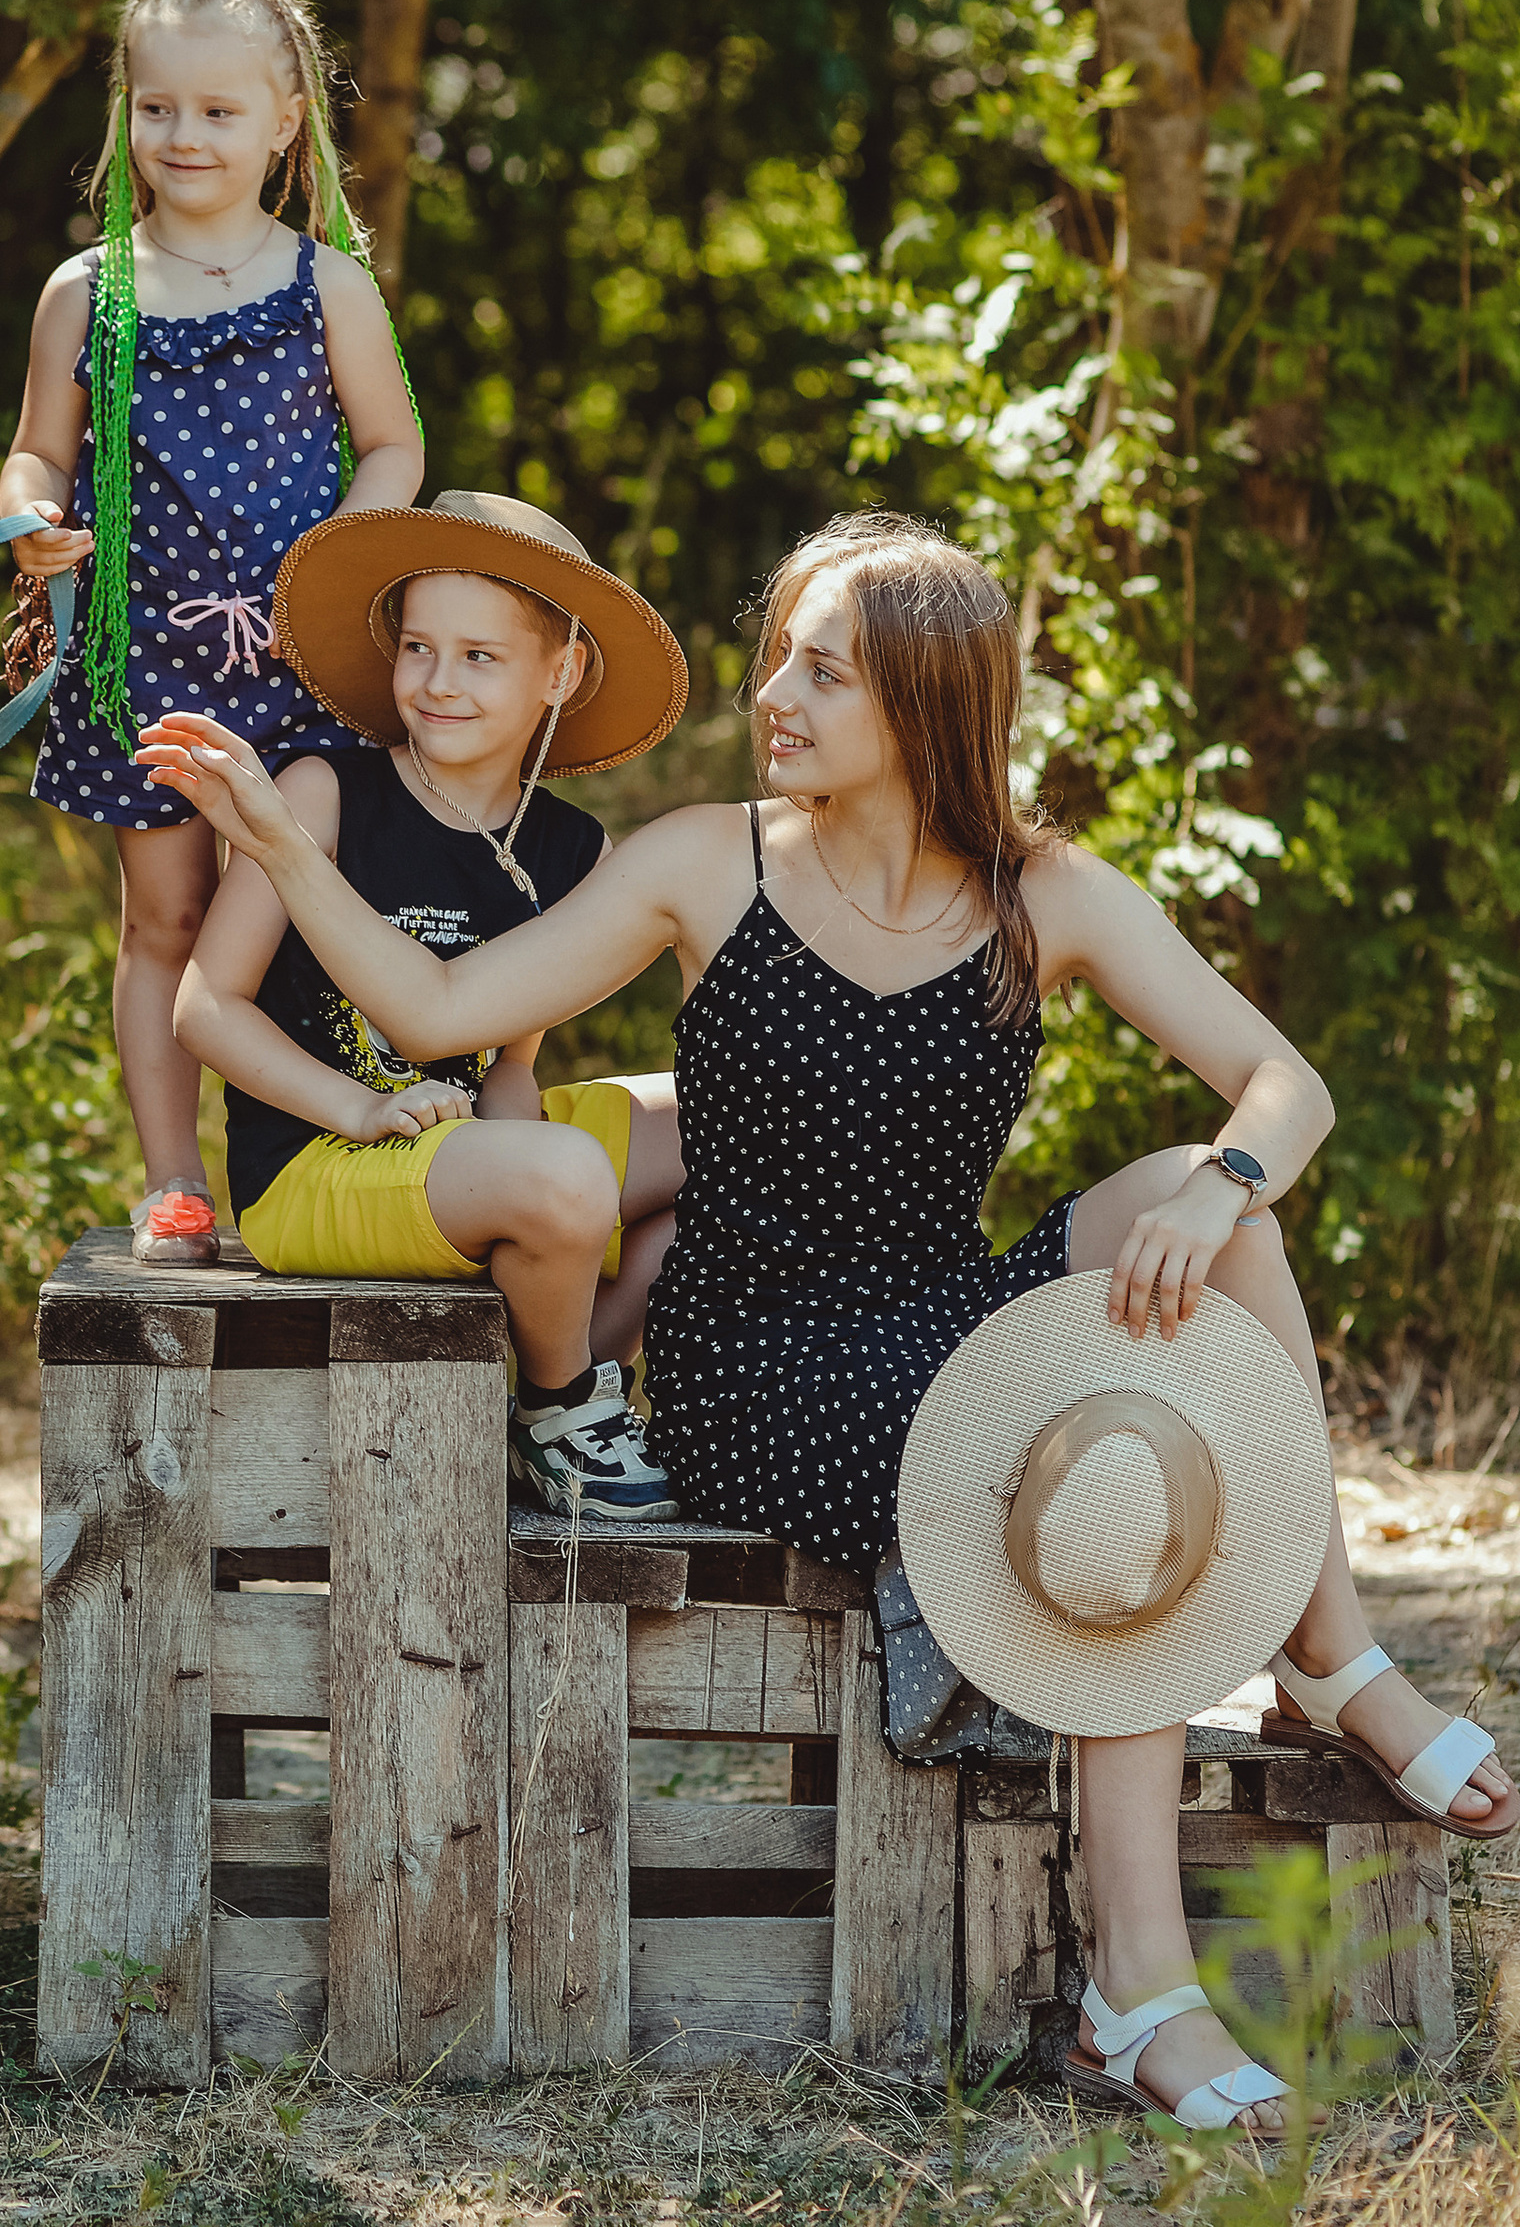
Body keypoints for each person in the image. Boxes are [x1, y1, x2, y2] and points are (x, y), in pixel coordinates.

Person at [138, 510, 1515, 2132]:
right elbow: (437, 1012)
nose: (771, 693)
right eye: (778, 651)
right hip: (761, 1367)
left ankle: (1328, 1662)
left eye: (823, 669)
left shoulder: (1038, 892)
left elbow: (1288, 1084)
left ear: (927, 706)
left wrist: (1224, 1178)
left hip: (945, 1311)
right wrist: (287, 851)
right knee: (1110, 1462)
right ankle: (1144, 1991)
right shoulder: (702, 864)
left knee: (1208, 1234)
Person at [0, 0, 424, 1266]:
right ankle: (175, 1185)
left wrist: (338, 568)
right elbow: (33, 454)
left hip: (296, 670)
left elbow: (396, 448)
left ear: (287, 119)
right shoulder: (89, 291)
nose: (184, 139)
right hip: (144, 669)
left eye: (220, 113)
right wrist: (28, 521)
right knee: (164, 924)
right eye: (157, 107)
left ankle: (302, 1175)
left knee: (286, 921)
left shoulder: (330, 289)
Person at [175, 492, 692, 1514]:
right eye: (418, 647)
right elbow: (204, 1006)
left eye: (479, 657)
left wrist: (533, 1185)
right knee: (562, 1178)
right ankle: (558, 1408)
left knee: (732, 1120)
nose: (436, 682)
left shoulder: (570, 850)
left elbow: (508, 1063)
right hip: (317, 1162)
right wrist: (361, 1109)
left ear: (562, 671)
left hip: (459, 1152)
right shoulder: (324, 794)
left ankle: (569, 1370)